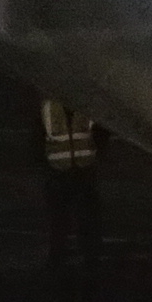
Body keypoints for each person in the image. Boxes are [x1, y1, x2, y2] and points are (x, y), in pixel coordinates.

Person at [37, 95, 104, 273]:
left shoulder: (85, 102)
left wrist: (97, 157)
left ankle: (91, 259)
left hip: (84, 170)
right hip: (59, 172)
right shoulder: (49, 104)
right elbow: (38, 134)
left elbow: (100, 131)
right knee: (59, 220)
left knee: (87, 218)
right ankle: (57, 259)